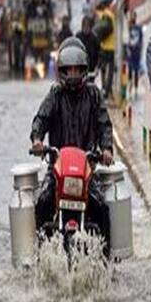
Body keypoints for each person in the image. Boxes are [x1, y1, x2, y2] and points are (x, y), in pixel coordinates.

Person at [30, 39, 114, 254]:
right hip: (57, 169)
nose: (74, 73)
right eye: (69, 69)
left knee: (103, 208)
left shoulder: (94, 95)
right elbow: (41, 118)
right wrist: (37, 140)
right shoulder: (55, 95)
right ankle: (39, 254)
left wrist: (106, 150)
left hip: (87, 170)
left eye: (78, 69)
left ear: (85, 69)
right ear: (62, 71)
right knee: (43, 201)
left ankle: (107, 261)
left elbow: (105, 124)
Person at [94, 0, 116, 99]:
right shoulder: (111, 15)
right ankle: (107, 89)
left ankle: (105, 89)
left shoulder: (105, 15)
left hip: (105, 46)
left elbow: (103, 29)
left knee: (103, 69)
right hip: (112, 47)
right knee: (109, 70)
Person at [127, 9, 143, 95]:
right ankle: (130, 87)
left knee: (136, 70)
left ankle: (136, 89)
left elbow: (141, 40)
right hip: (130, 52)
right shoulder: (128, 27)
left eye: (134, 15)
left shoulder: (138, 28)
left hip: (136, 52)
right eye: (131, 16)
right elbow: (126, 38)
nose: (133, 17)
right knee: (129, 70)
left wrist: (140, 50)